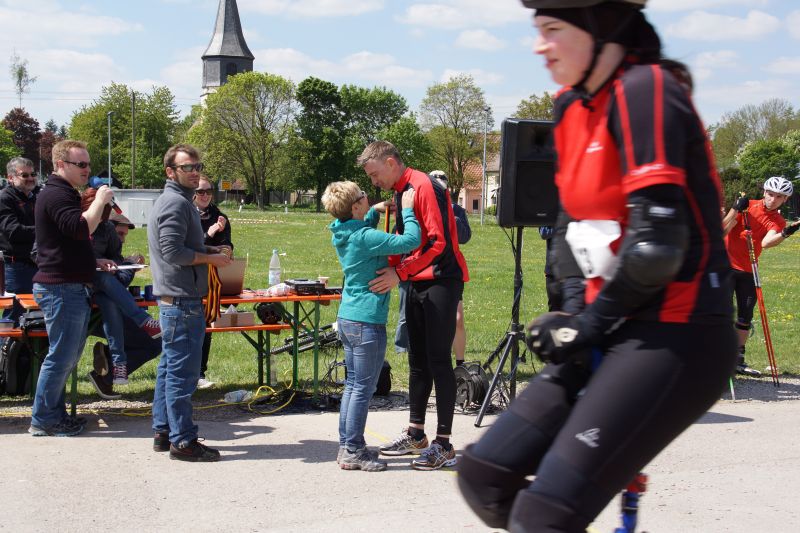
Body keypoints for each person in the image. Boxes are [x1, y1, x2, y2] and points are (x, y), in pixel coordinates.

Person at [457, 2, 737, 530]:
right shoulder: (571, 105)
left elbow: (656, 247)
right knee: (483, 476)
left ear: (601, 30)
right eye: (538, 30)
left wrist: (586, 324)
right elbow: (569, 224)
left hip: (675, 333)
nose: (539, 45)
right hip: (607, 325)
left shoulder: (646, 90)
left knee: (544, 515)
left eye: (553, 30)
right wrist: (569, 310)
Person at [358, 141, 469, 471]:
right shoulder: (401, 190)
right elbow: (406, 238)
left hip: (441, 279)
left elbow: (438, 243)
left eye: (375, 174)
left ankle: (444, 444)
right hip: (416, 279)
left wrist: (400, 272)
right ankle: (416, 434)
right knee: (417, 360)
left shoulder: (423, 185)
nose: (374, 182)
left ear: (391, 163)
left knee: (439, 360)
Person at [322, 182, 420, 472]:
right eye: (363, 195)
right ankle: (354, 450)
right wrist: (408, 211)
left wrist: (375, 210)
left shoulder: (343, 230)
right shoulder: (366, 237)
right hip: (367, 322)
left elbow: (362, 224)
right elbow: (410, 241)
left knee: (353, 386)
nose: (368, 196)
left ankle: (347, 446)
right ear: (355, 207)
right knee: (363, 389)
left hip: (349, 318)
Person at [148, 144, 231, 462]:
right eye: (187, 168)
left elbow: (177, 247)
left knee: (170, 369)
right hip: (182, 302)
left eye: (197, 166)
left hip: (176, 300)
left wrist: (209, 252)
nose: (195, 172)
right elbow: (172, 252)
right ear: (171, 172)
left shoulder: (178, 200)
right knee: (182, 375)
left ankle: (164, 432)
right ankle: (183, 441)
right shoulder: (176, 203)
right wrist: (210, 259)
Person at [29, 139, 115, 437]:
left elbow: (68, 240)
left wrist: (93, 260)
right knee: (61, 358)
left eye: (88, 164)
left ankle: (54, 414)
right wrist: (100, 201)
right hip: (61, 288)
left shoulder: (62, 192)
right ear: (60, 164)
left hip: (70, 286)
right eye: (81, 164)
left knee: (67, 357)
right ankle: (43, 419)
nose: (87, 169)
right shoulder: (56, 194)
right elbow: (81, 228)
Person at [80, 187, 161, 389]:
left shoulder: (106, 228)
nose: (122, 238)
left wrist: (114, 265)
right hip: (80, 284)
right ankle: (143, 322)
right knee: (103, 280)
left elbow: (116, 259)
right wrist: (97, 263)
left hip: (102, 291)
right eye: (120, 233)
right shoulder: (77, 224)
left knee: (109, 301)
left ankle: (119, 365)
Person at [393, 170, 472, 366]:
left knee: (456, 318)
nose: (438, 183)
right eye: (434, 180)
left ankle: (459, 362)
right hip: (414, 268)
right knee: (407, 316)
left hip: (444, 271)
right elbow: (400, 234)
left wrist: (448, 216)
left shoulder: (457, 210)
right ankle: (404, 349)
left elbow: (464, 237)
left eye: (441, 180)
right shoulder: (411, 203)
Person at [722, 176, 799, 377]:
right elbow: (722, 230)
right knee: (721, 313)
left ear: (785, 200)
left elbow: (766, 242)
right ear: (764, 192)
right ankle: (717, 358)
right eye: (770, 194)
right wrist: (735, 209)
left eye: (779, 197)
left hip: (748, 271)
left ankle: (738, 360)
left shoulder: (778, 220)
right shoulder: (747, 206)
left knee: (745, 316)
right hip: (725, 267)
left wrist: (786, 232)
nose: (773, 199)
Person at [193, 175, 233, 389]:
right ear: (193, 193)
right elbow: (189, 248)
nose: (205, 195)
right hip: (188, 278)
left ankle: (199, 373)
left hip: (211, 279)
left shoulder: (220, 217)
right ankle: (185, 373)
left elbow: (227, 245)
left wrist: (225, 250)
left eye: (208, 191)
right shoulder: (186, 214)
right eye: (200, 191)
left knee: (205, 325)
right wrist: (209, 235)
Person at [0, 157, 39, 322]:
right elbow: (13, 231)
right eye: (24, 175)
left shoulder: (36, 196)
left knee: (38, 315)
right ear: (10, 177)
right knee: (14, 315)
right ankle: (6, 340)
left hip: (38, 263)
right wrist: (45, 230)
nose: (30, 178)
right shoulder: (4, 198)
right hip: (17, 266)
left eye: (33, 174)